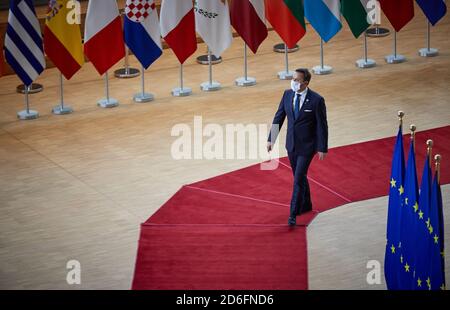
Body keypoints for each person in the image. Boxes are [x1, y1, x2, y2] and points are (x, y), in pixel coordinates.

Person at [267, 68, 328, 226]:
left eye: (296, 80)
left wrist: (322, 147)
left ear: (305, 83)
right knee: (299, 177)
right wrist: (271, 139)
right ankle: (306, 204)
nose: (293, 82)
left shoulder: (316, 100)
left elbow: (322, 126)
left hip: (308, 147)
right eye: (293, 79)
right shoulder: (287, 95)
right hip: (291, 145)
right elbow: (278, 116)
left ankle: (293, 213)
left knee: (298, 178)